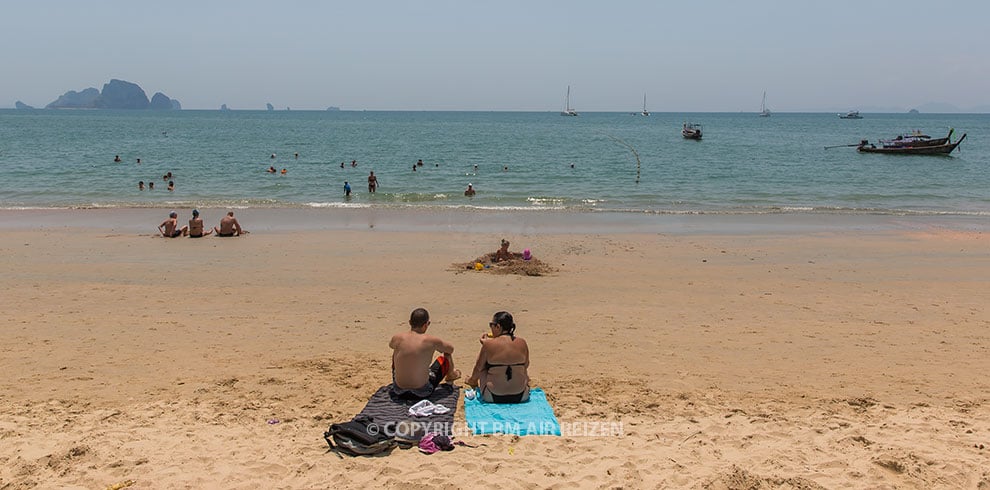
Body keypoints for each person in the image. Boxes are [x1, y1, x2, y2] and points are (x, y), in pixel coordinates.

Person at [389, 308, 460, 399]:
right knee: (445, 356)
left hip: (398, 390)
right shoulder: (431, 340)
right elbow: (450, 349)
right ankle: (451, 375)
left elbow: (391, 345)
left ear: (410, 322)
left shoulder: (397, 337)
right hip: (422, 391)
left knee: (397, 349)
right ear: (427, 324)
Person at [466, 311, 530, 404]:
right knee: (520, 367)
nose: (491, 328)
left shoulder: (488, 344)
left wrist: (472, 380)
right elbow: (526, 365)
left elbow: (478, 368)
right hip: (522, 395)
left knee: (483, 367)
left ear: (498, 326)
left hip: (492, 396)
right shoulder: (522, 342)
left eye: (491, 325)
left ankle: (472, 382)